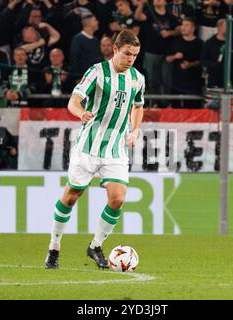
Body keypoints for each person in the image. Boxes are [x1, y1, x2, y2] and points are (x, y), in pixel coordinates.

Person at [45, 30, 145, 270]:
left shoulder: (137, 78)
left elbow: (138, 105)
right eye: (127, 54)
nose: (131, 59)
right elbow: (74, 100)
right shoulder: (97, 72)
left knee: (118, 199)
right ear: (115, 50)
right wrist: (82, 113)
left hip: (115, 150)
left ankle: (96, 245)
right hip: (88, 147)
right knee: (70, 197)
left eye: (135, 55)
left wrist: (135, 130)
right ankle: (54, 247)